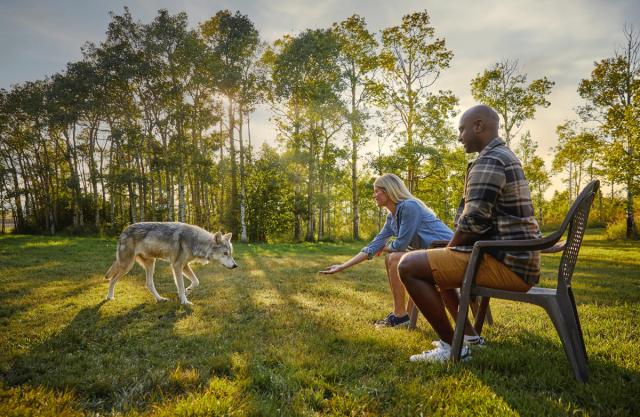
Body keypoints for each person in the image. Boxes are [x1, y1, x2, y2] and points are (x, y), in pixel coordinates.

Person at [398, 104, 542, 362]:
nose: (459, 136)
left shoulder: (490, 160)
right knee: (433, 256)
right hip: (513, 258)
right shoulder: (503, 156)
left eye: (462, 129)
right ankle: (469, 336)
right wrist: (446, 250)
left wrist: (450, 249)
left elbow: (473, 222)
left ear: (479, 126)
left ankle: (452, 348)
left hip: (506, 263)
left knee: (408, 265)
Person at [320, 173, 453, 328]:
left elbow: (400, 246)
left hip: (448, 255)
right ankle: (404, 317)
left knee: (394, 258)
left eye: (377, 191)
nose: (374, 195)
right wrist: (342, 266)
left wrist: (385, 248)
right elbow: (374, 245)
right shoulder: (392, 217)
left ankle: (400, 316)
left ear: (389, 191)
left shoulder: (409, 207)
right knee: (398, 258)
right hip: (430, 257)